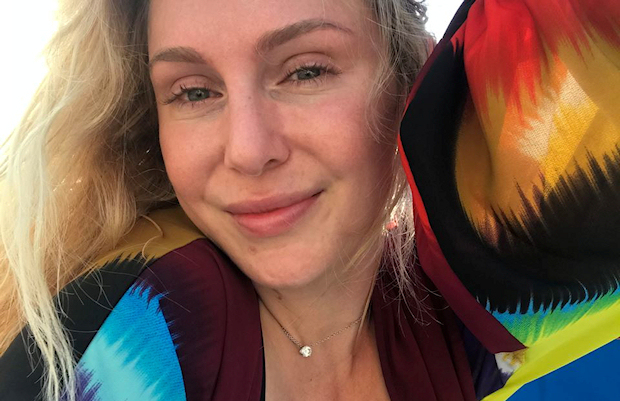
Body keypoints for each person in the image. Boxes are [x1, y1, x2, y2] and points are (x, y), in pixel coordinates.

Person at [0, 0, 618, 400]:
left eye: (306, 71)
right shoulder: (145, 329)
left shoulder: (476, 293)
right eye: (193, 92)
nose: (248, 150)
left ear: (408, 78)